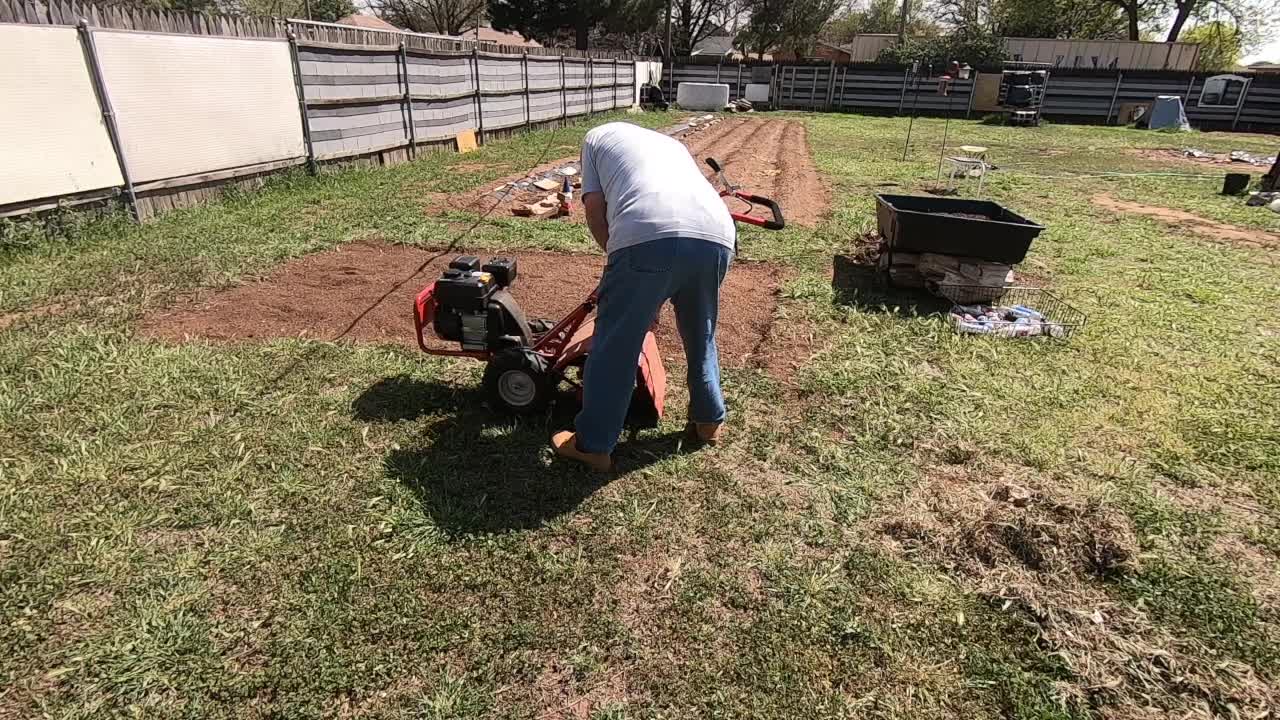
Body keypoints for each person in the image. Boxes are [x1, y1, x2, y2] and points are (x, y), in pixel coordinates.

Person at [551, 121, 736, 472]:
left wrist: (621, 268)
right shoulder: (669, 144)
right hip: (717, 234)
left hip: (648, 230)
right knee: (701, 333)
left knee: (616, 344)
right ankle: (709, 420)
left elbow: (595, 211)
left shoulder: (594, 139)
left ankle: (593, 444)